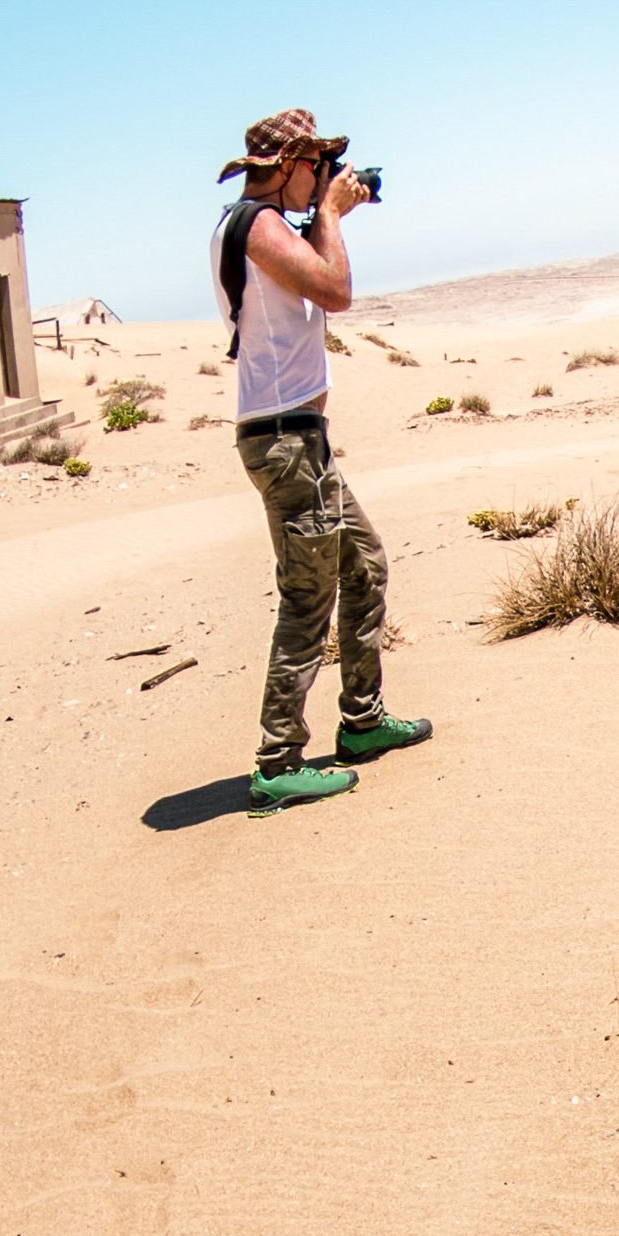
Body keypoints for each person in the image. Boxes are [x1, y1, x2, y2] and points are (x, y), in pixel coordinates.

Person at [213, 109, 432, 814]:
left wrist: (328, 214)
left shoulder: (265, 224)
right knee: (309, 595)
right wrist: (333, 215)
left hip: (298, 435)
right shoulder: (257, 222)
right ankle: (277, 760)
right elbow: (335, 289)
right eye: (319, 167)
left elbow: (309, 279)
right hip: (283, 437)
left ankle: (363, 720)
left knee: (363, 564)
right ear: (287, 166)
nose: (327, 178)